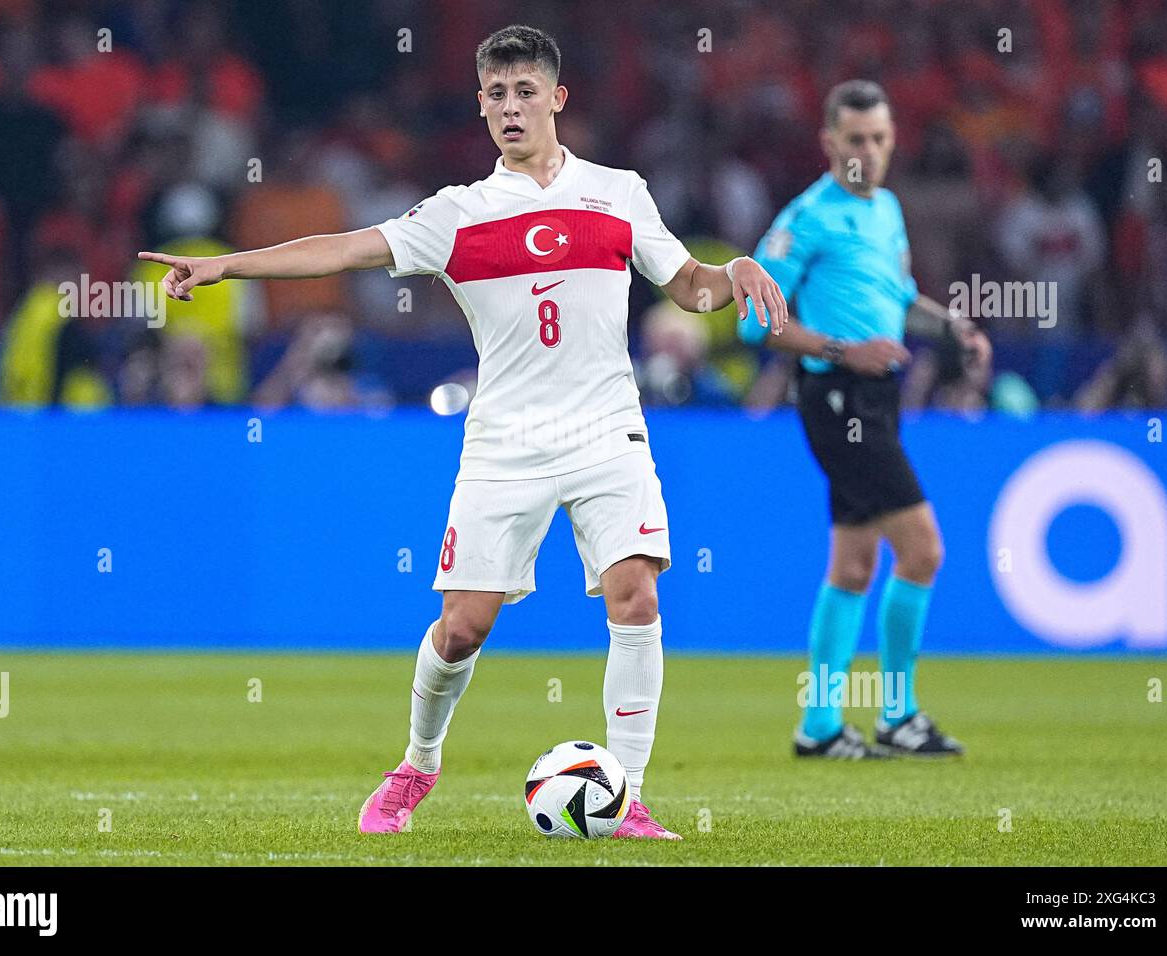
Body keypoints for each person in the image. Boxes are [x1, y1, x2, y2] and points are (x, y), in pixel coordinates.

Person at [139, 25, 788, 835]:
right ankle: (416, 765)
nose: (511, 108)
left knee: (636, 593)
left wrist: (737, 272)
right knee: (463, 627)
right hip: (505, 441)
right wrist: (230, 264)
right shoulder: (456, 214)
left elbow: (689, 288)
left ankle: (626, 795)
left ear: (557, 98)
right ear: (481, 105)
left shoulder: (620, 193)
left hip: (606, 431)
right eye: (496, 95)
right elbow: (345, 250)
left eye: (525, 92)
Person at [739, 80, 990, 759]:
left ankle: (819, 726)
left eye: (879, 138)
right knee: (924, 549)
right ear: (829, 143)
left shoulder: (885, 210)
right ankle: (898, 714)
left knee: (853, 566)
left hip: (876, 400)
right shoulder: (805, 218)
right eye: (855, 140)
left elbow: (898, 296)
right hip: (837, 399)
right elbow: (755, 320)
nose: (869, 152)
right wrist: (845, 350)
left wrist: (952, 325)